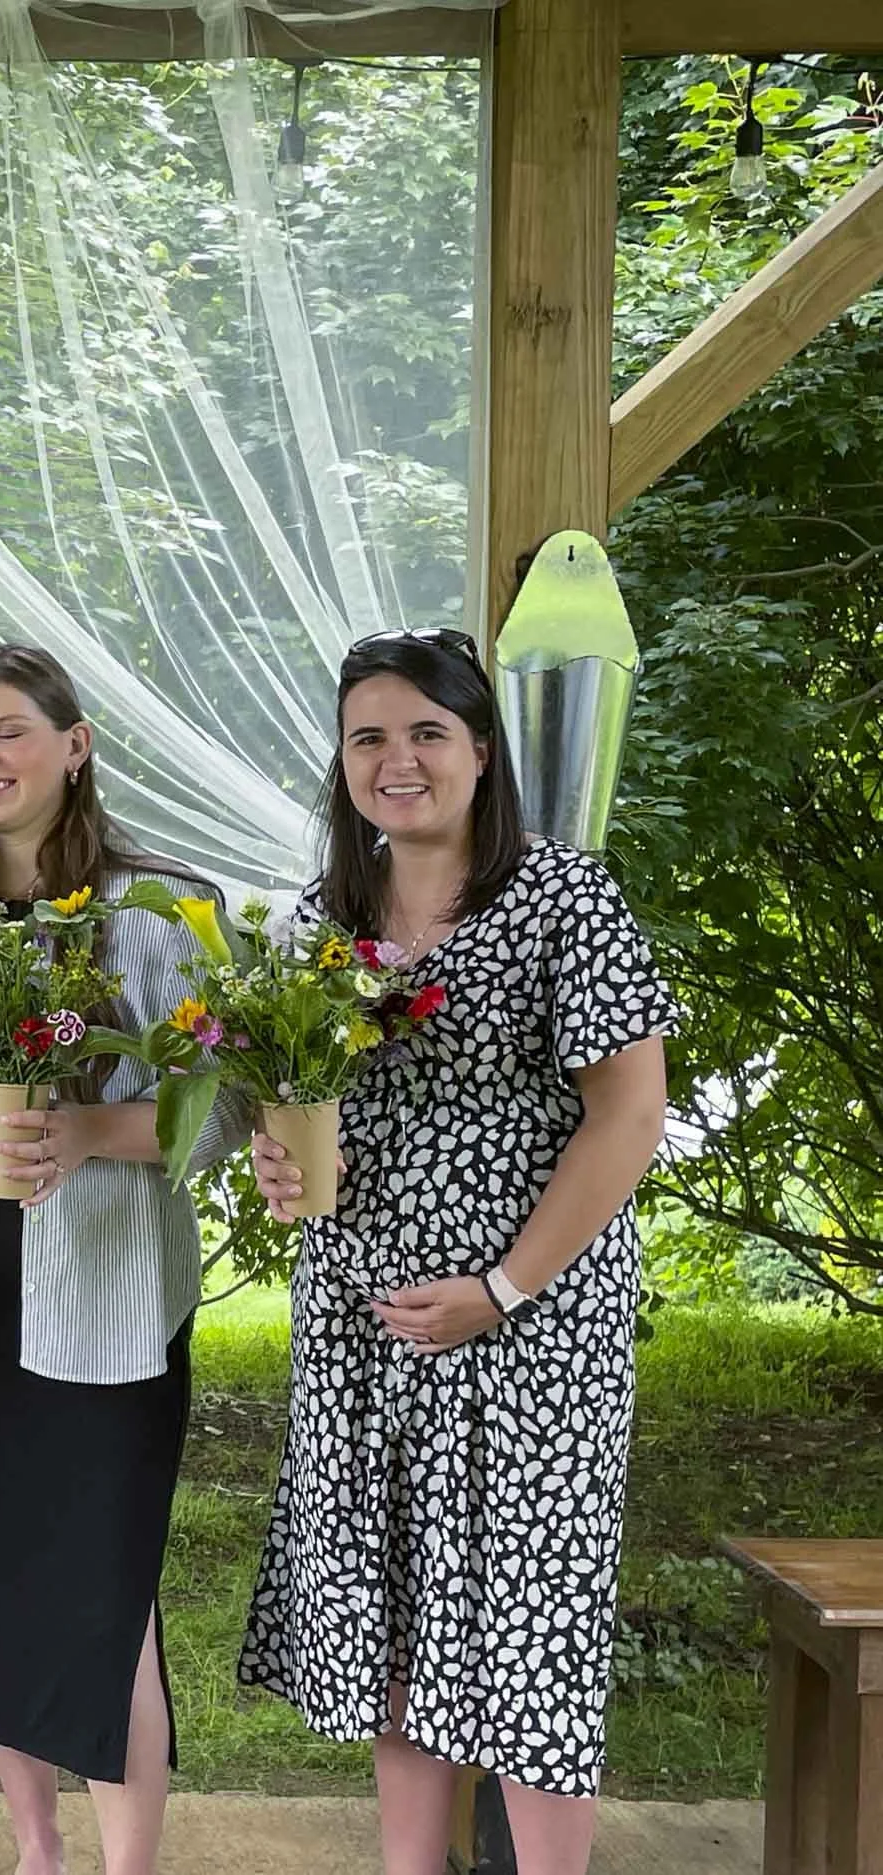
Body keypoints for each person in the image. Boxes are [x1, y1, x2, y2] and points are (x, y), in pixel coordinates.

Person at [237, 628, 675, 1875]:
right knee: (399, 1630)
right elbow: (290, 1098)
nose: (398, 760)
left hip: (530, 1336)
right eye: (368, 736)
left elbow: (629, 1114)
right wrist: (282, 1161)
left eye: (426, 732)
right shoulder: (322, 919)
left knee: (527, 1637)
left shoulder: (564, 895)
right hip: (362, 1328)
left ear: (481, 752)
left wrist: (502, 1287)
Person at [0, 643, 247, 1875]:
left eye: (11, 730)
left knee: (99, 1596)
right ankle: (35, 1852)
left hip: (99, 1310)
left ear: (75, 746)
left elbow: (225, 1106)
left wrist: (88, 1131)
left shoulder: (160, 907)